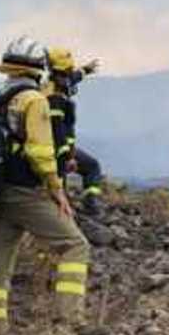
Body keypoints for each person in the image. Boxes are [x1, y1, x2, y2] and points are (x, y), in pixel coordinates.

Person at [0, 36, 91, 335]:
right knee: (75, 245)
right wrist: (57, 190)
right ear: (38, 67)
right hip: (25, 191)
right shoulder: (34, 100)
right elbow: (41, 153)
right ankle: (70, 320)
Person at [44, 47, 105, 215]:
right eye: (67, 71)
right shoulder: (53, 97)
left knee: (92, 166)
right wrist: (67, 157)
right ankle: (60, 219)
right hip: (53, 150)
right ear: (58, 72)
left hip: (60, 149)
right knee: (59, 189)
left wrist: (86, 70)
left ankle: (90, 203)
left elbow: (74, 78)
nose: (69, 75)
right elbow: (57, 131)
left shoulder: (59, 82)